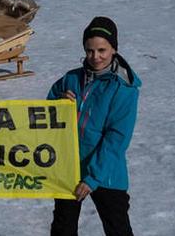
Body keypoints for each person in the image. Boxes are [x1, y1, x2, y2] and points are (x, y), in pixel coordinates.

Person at [47, 16, 141, 236]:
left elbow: (116, 138)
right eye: (90, 51)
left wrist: (93, 177)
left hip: (105, 171)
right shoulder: (71, 79)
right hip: (70, 166)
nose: (95, 57)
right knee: (62, 227)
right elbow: (45, 111)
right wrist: (58, 103)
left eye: (102, 50)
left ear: (114, 50)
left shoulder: (123, 89)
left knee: (117, 228)